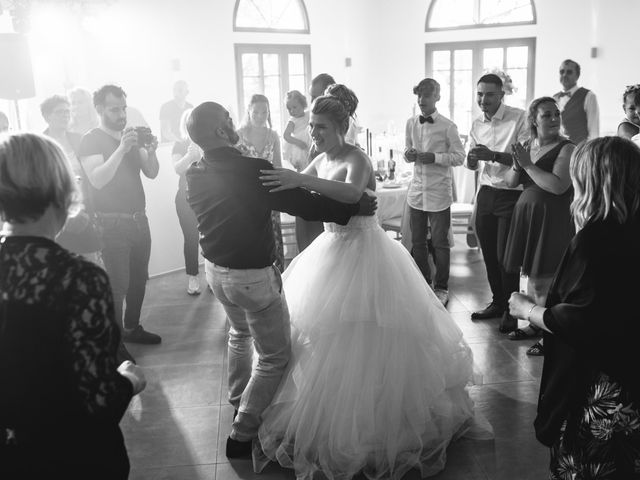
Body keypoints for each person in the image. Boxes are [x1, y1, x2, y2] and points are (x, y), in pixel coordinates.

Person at [255, 84, 479, 479]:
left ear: (342, 126)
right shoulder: (320, 157)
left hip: (365, 251)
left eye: (322, 128)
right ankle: (332, 413)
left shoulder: (356, 157)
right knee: (326, 336)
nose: (315, 134)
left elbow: (351, 191)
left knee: (372, 334)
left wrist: (299, 179)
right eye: (313, 128)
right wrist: (281, 178)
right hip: (330, 249)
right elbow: (299, 185)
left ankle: (380, 420)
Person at [184, 101, 377, 458]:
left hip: (216, 273)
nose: (234, 121)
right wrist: (353, 206)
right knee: (275, 356)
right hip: (250, 277)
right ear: (217, 131)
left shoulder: (195, 172)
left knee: (239, 334)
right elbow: (304, 204)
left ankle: (239, 399)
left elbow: (307, 195)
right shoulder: (251, 169)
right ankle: (242, 432)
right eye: (227, 119)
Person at [0, 133, 146, 479]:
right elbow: (97, 404)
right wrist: (129, 380)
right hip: (71, 458)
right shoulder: (79, 279)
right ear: (62, 192)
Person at [509, 136, 640, 479]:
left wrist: (529, 310)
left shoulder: (596, 239)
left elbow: (584, 319)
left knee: (593, 464)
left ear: (594, 180)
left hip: (606, 381)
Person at [79, 84, 161, 348]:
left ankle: (132, 327)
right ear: (100, 109)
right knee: (117, 287)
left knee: (139, 280)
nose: (121, 114)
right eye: (114, 109)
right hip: (112, 224)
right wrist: (122, 149)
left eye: (123, 108)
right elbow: (97, 179)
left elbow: (151, 172)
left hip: (139, 220)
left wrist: (152, 149)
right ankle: (114, 347)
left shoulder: (130, 137)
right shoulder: (91, 139)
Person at [503, 97, 576, 356]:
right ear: (534, 120)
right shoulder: (527, 145)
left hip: (552, 219)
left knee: (546, 277)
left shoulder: (566, 148)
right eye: (547, 115)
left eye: (556, 114)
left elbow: (558, 186)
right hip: (527, 218)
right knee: (530, 276)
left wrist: (527, 165)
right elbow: (512, 181)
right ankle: (533, 324)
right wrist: (516, 163)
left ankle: (549, 334)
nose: (554, 119)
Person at [466, 73, 529, 332]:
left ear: (502, 95)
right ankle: (498, 302)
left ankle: (513, 311)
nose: (483, 99)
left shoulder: (520, 118)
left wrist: (491, 154)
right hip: (486, 193)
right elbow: (472, 162)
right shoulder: (476, 123)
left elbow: (523, 159)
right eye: (480, 94)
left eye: (490, 94)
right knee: (489, 253)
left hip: (512, 193)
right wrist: (472, 159)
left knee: (507, 257)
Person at [404, 78, 465, 307]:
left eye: (427, 95)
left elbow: (460, 157)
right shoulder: (410, 123)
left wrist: (435, 158)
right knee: (418, 241)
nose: (421, 100)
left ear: (437, 97)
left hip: (439, 193)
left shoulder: (448, 126)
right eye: (419, 95)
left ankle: (442, 287)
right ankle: (423, 284)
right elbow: (407, 151)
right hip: (417, 192)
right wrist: (408, 155)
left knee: (440, 243)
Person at [40, 95, 102, 263]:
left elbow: (90, 174)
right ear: (46, 116)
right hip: (59, 214)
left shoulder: (79, 138)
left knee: (92, 263)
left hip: (85, 208)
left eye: (67, 111)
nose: (65, 115)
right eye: (60, 112)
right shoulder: (40, 144)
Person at [237, 94, 285, 271]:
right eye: (256, 111)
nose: (260, 115)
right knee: (250, 235)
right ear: (249, 111)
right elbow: (233, 168)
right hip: (246, 195)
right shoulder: (238, 136)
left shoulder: (273, 135)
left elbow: (278, 165)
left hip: (269, 192)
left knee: (273, 235)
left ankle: (277, 275)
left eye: (264, 111)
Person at [172, 108, 202, 295]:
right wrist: (190, 155)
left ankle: (213, 272)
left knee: (212, 236)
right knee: (191, 238)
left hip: (208, 197)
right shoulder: (180, 144)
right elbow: (177, 168)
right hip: (185, 198)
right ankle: (193, 277)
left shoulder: (207, 142)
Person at [553, 59, 599, 145]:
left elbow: (594, 131)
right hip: (558, 150)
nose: (564, 75)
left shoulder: (589, 96)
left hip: (578, 150)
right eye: (562, 72)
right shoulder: (554, 98)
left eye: (569, 72)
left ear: (577, 76)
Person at [282, 90, 311, 172]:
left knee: (310, 164)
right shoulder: (292, 121)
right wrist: (298, 143)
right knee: (301, 166)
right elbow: (286, 135)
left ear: (302, 104)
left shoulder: (309, 114)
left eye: (294, 107)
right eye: (289, 109)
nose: (292, 111)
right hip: (299, 146)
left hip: (309, 142)